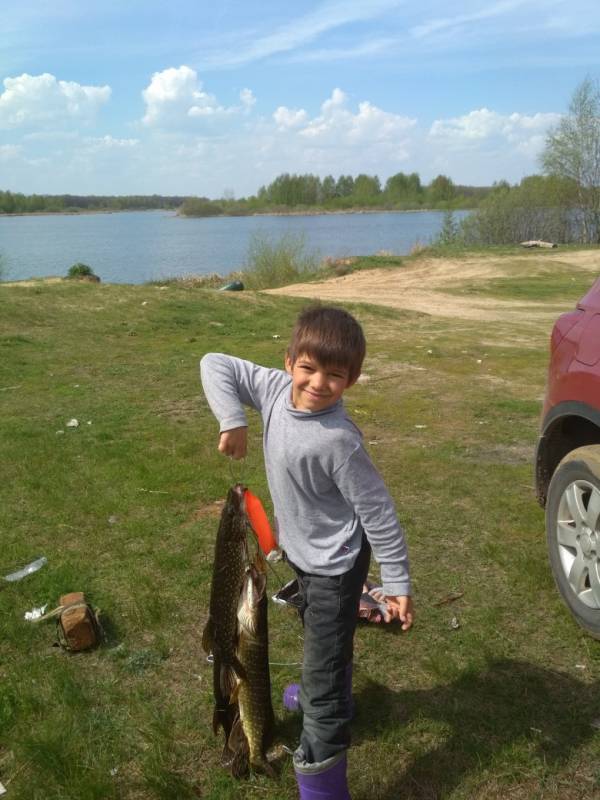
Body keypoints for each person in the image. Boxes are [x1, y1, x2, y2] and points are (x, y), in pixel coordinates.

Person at [200, 305, 413, 799]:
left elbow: (379, 513)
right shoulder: (275, 390)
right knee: (324, 643)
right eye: (308, 368)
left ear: (351, 380)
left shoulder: (339, 442)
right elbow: (215, 361)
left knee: (323, 675)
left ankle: (322, 778)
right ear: (290, 360)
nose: (318, 383)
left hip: (336, 567)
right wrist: (233, 420)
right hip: (301, 553)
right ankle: (326, 685)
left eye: (335, 375)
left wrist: (397, 582)